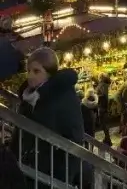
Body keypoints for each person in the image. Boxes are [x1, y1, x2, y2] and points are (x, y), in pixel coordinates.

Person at [18, 47, 85, 185]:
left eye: (36, 71)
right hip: (32, 169)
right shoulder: (29, 98)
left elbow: (74, 135)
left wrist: (63, 176)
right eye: (28, 70)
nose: (30, 76)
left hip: (53, 172)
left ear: (49, 73)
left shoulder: (62, 96)